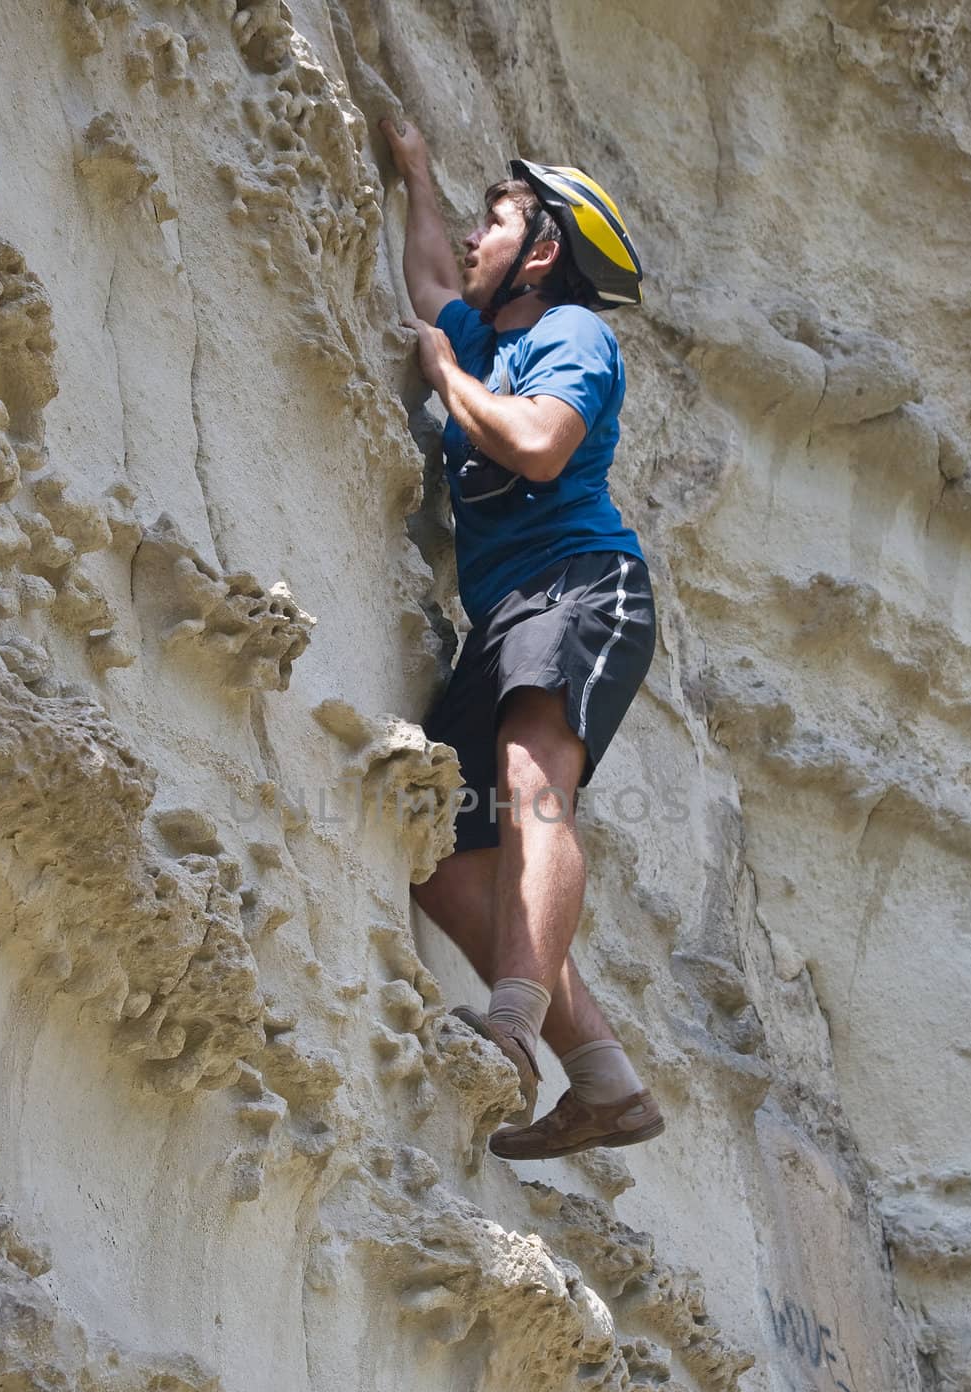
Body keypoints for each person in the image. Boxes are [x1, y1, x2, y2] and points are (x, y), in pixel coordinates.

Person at [380, 117, 664, 1162]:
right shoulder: (493, 337)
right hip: (503, 619)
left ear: (541, 248)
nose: (469, 233)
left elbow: (540, 446)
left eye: (492, 217)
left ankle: (509, 1024)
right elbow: (425, 287)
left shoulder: (572, 338)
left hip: (582, 586)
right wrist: (410, 170)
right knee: (442, 854)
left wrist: (449, 377)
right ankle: (602, 1077)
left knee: (525, 778)